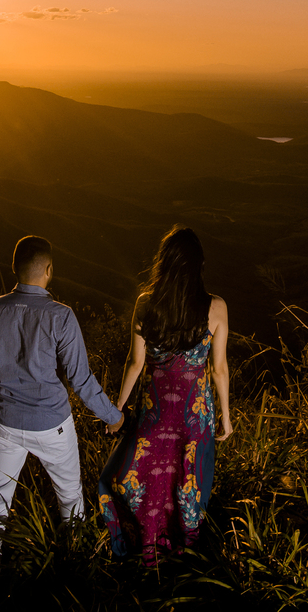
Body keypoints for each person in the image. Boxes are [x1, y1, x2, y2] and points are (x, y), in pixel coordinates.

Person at [0, 235, 125, 589]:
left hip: (4, 423)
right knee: (70, 498)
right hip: (53, 425)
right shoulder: (61, 316)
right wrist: (113, 416)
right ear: (49, 271)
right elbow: (80, 379)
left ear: (16, 269)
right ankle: (78, 570)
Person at [98, 226, 232, 559]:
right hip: (195, 416)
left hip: (154, 411)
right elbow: (218, 369)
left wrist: (116, 409)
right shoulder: (215, 308)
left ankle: (144, 548)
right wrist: (226, 417)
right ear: (199, 265)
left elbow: (134, 363)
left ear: (164, 263)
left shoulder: (147, 304)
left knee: (136, 478)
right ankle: (184, 555)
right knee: (187, 486)